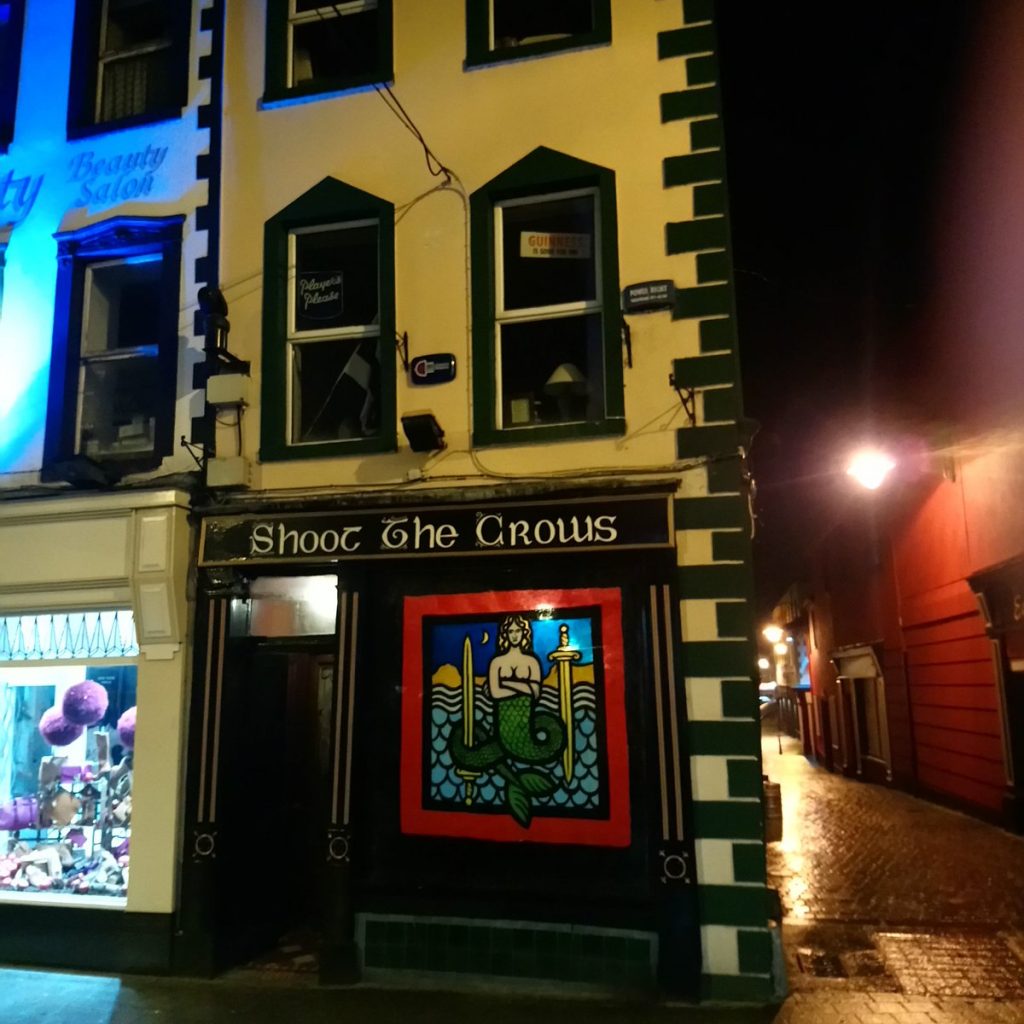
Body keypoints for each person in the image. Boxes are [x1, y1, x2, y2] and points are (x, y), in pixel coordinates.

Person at [488, 614, 541, 701]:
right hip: (503, 708)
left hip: (526, 708)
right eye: (510, 631)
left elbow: (536, 691)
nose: (514, 635)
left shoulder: (532, 661)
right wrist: (525, 689)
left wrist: (504, 683)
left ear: (524, 632)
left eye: (518, 630)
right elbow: (495, 693)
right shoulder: (496, 662)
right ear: (505, 634)